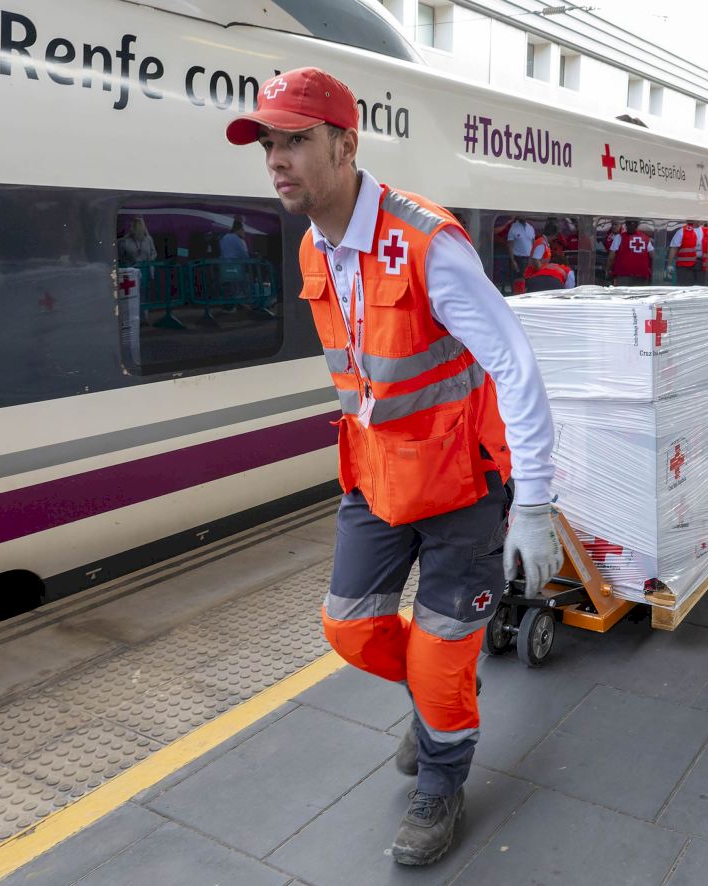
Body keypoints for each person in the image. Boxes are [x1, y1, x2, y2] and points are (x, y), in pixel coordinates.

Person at [226, 67, 561, 866]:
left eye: (295, 140)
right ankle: (444, 693)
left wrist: (536, 503)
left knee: (442, 653)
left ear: (346, 146)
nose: (276, 159)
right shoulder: (315, 245)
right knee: (350, 627)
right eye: (268, 143)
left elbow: (514, 365)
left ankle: (440, 784)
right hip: (377, 478)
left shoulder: (426, 243)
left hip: (460, 484)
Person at [605, 219, 653, 286]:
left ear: (626, 225)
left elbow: (611, 258)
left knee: (622, 293)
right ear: (637, 226)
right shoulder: (646, 238)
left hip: (623, 274)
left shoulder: (619, 237)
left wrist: (608, 270)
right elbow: (653, 256)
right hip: (642, 275)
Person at [668, 220, 706, 285]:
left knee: (700, 288)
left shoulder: (706, 231)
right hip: (684, 267)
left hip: (701, 265)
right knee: (685, 287)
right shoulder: (682, 231)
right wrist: (669, 264)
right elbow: (674, 248)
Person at [506, 216, 535, 293]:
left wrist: (532, 258)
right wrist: (513, 261)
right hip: (518, 259)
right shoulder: (513, 228)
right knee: (518, 281)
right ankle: (516, 296)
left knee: (529, 280)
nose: (524, 216)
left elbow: (533, 244)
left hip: (529, 258)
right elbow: (510, 246)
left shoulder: (530, 228)